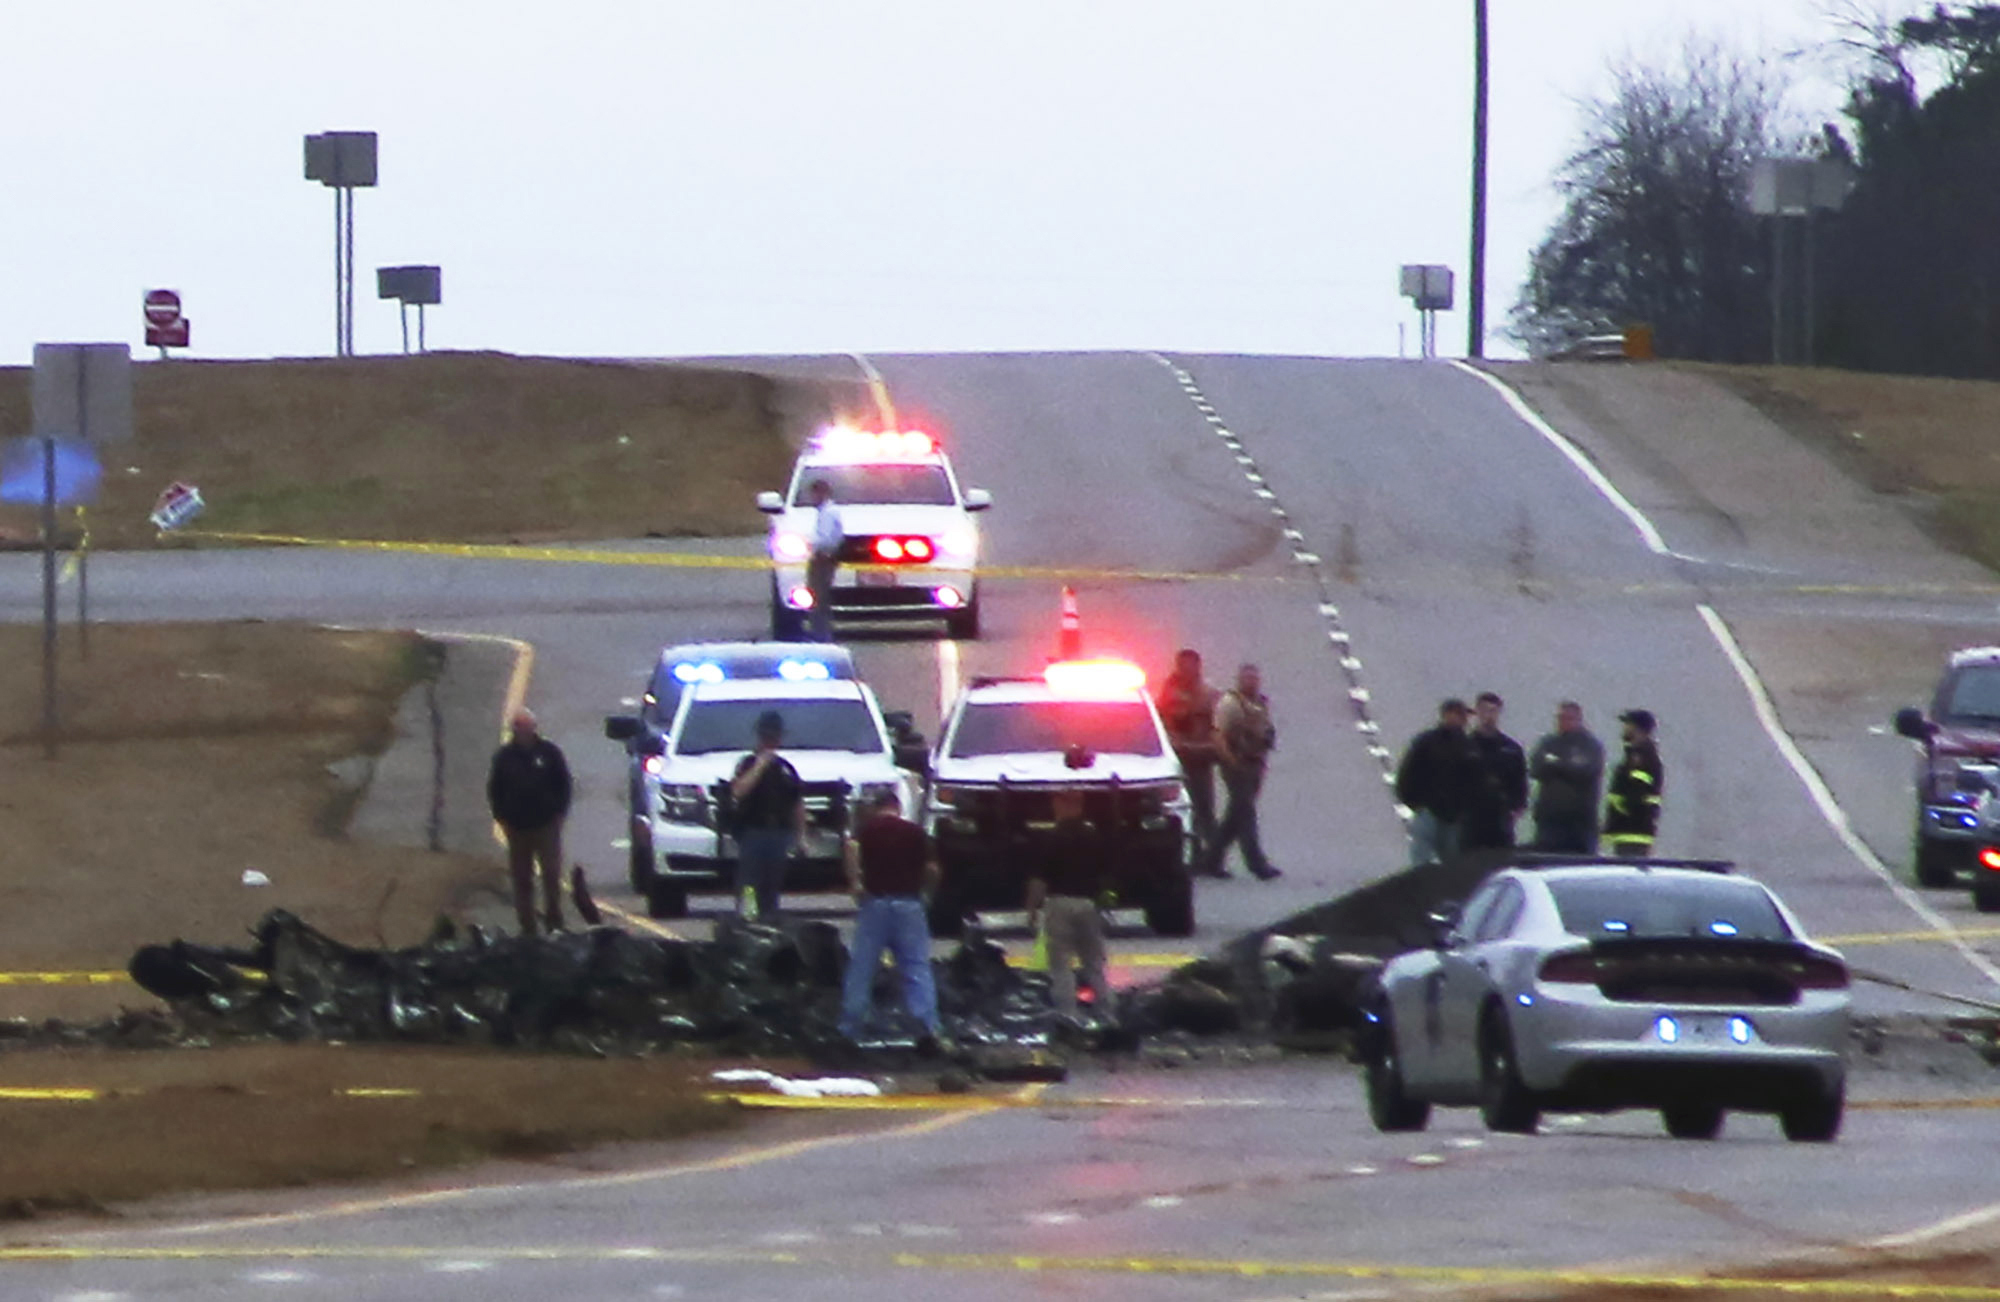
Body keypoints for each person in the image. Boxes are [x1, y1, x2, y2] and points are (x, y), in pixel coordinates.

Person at [839, 790, 943, 1044]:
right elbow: (932, 869)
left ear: (877, 807)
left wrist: (855, 882)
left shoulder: (868, 830)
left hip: (875, 903)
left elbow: (851, 849)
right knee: (916, 967)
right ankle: (927, 1027)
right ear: (897, 807)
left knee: (863, 967)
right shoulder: (915, 832)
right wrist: (926, 894)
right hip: (909, 903)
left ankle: (849, 1027)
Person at [486, 707, 573, 937]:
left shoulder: (549, 753)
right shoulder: (504, 757)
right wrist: (501, 817)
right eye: (518, 727)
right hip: (517, 827)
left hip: (546, 825)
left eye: (525, 726)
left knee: (551, 875)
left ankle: (554, 922)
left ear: (534, 727)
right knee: (521, 879)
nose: (521, 731)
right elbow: (495, 789)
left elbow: (564, 784)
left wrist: (559, 813)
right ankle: (527, 927)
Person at [1026, 789, 1110, 1018]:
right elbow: (1105, 875)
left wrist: (1032, 910)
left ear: (1062, 805)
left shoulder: (1052, 838)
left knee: (1061, 967)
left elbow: (1039, 879)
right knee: (1094, 964)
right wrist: (1104, 903)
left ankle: (1067, 1016)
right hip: (1088, 904)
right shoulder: (1093, 837)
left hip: (1059, 904)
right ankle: (1107, 1014)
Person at [1203, 663, 1282, 881]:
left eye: (1255, 678)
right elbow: (1218, 735)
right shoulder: (1230, 704)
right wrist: (1230, 760)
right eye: (1247, 678)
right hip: (1236, 764)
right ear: (1239, 680)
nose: (1252, 682)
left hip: (1255, 764)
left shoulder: (1259, 703)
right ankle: (1257, 864)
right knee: (1246, 813)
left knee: (1235, 816)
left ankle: (1211, 860)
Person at [729, 709, 807, 919]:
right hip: (753, 833)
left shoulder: (785, 769)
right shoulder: (747, 764)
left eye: (775, 737)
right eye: (767, 737)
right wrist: (760, 765)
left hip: (779, 834)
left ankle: (768, 919)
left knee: (772, 884)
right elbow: (738, 791)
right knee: (749, 883)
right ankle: (747, 918)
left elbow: (797, 804)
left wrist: (801, 839)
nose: (771, 741)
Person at [1394, 698, 1477, 865]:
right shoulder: (1427, 742)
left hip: (1454, 815)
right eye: (1459, 715)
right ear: (1446, 715)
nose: (1464, 720)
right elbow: (1407, 773)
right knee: (1421, 860)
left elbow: (1474, 781)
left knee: (1453, 865)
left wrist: (1465, 808)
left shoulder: (1469, 746)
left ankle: (1449, 890)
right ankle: (1421, 889)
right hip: (1428, 811)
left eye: (1464, 716)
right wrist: (1416, 803)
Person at [1156, 648, 1220, 863]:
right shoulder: (1169, 692)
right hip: (1180, 756)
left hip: (1201, 755)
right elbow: (1163, 722)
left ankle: (1213, 857)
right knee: (1186, 808)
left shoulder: (1207, 691)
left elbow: (1218, 722)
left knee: (1206, 808)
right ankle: (1195, 854)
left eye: (1190, 665)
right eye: (1182, 665)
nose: (1186, 670)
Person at [1528, 700, 1605, 853]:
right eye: (1560, 718)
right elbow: (1536, 768)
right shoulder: (1548, 743)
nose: (1563, 722)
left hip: (1579, 822)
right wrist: (1566, 765)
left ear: (1578, 719)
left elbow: (1585, 772)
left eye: (1569, 718)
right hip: (1549, 820)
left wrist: (1556, 764)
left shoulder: (1590, 745)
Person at [1462, 691, 1528, 852]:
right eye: (1484, 710)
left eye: (1493, 711)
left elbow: (1520, 783)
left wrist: (1516, 808)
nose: (1488, 716)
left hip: (1500, 820)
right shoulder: (1464, 746)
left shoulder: (1511, 749)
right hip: (1470, 820)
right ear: (1476, 712)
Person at [1602, 709, 1664, 855]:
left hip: (1633, 831)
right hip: (1629, 831)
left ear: (1638, 729)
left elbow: (1637, 792)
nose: (1624, 728)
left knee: (1628, 874)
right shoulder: (1635, 754)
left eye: (1628, 724)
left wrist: (1621, 810)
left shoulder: (1641, 757)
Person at [805, 477, 844, 643]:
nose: (812, 498)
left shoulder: (828, 513)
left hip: (823, 559)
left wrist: (810, 544)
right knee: (819, 599)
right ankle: (821, 633)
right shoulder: (827, 511)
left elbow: (826, 538)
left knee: (818, 599)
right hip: (825, 558)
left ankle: (821, 635)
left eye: (814, 494)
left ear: (822, 493)